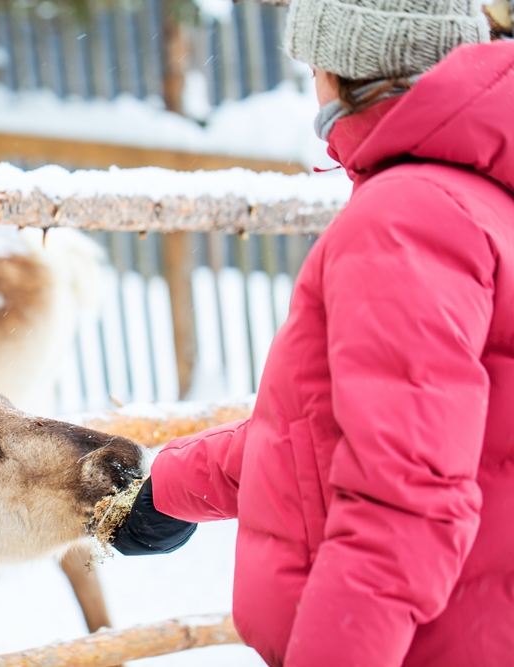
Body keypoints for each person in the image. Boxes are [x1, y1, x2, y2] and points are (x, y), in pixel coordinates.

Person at [111, 1, 514, 665]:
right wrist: (172, 486)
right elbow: (331, 432)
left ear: (344, 62)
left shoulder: (408, 216)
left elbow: (401, 502)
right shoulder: (471, 194)